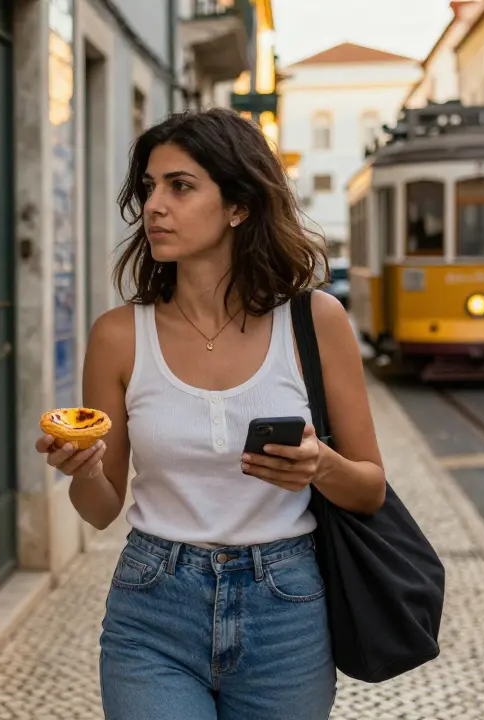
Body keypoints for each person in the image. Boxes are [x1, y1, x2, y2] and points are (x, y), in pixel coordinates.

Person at [34, 108, 386, 719]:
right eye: (148, 187)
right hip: (153, 604)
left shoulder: (315, 323)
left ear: (239, 206)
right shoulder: (119, 336)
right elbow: (100, 510)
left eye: (181, 186)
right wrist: (84, 469)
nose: (154, 206)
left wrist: (318, 466)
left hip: (287, 610)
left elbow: (370, 489)